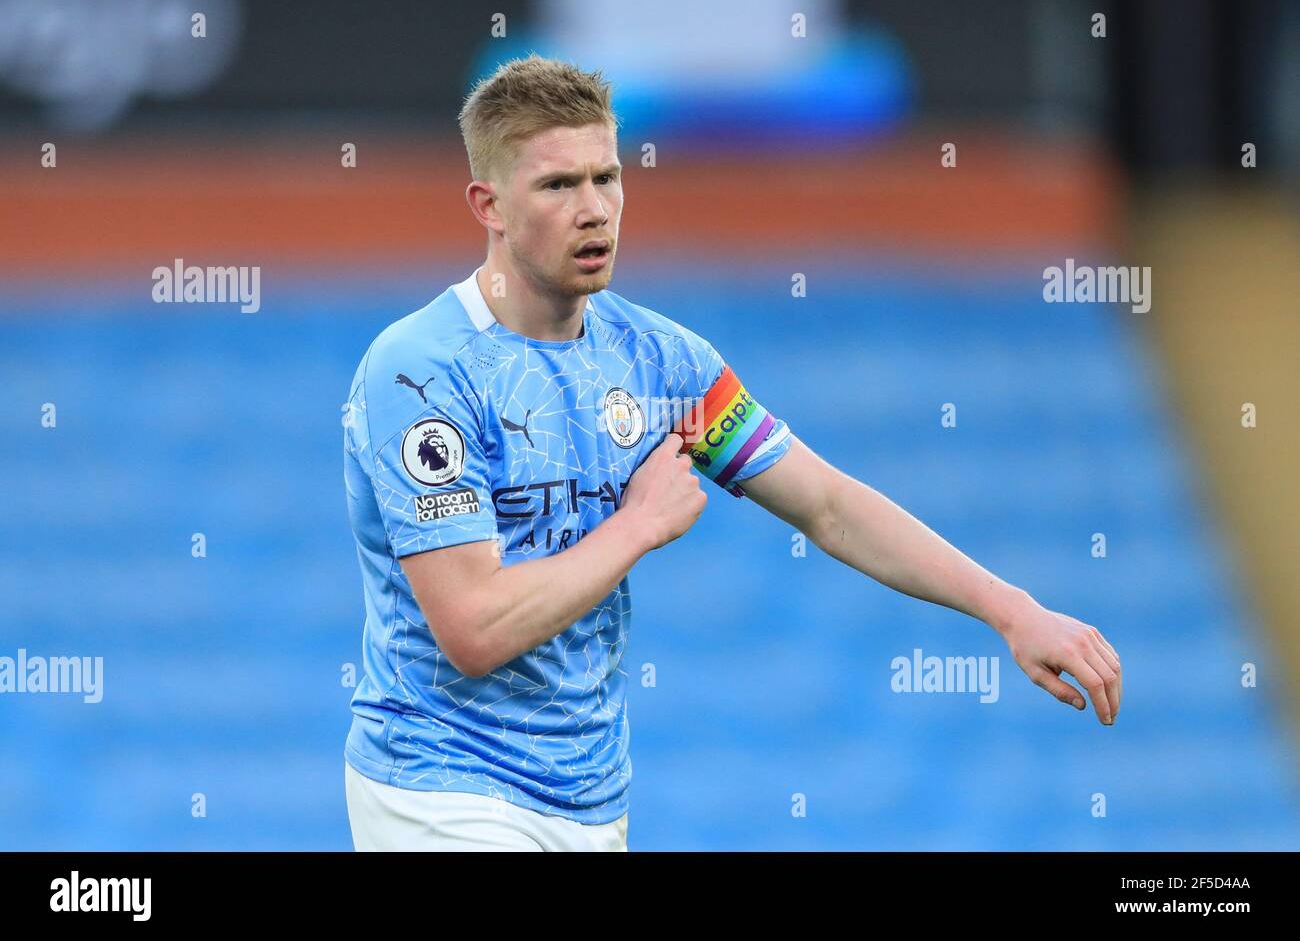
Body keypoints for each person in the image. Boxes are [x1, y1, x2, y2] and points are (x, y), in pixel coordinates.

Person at [341, 54, 1122, 851]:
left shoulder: (661, 363)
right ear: (489, 205)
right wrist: (637, 525)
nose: (594, 210)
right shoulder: (423, 373)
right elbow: (472, 630)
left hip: (590, 795)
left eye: (606, 178)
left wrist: (1013, 610)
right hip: (438, 789)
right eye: (557, 186)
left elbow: (827, 505)